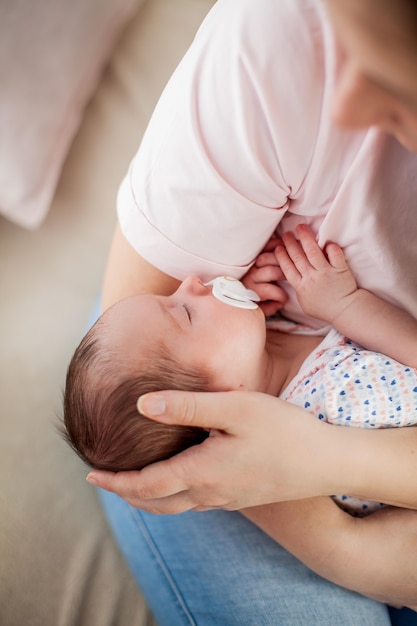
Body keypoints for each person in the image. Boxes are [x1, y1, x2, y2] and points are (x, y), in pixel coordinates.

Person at [84, 0, 417, 622]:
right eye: (183, 309)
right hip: (159, 390)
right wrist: (322, 310)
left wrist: (335, 501)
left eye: (398, 82)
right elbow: (144, 298)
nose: (193, 283)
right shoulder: (275, 42)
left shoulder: (323, 399)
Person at [65, 224, 417, 519]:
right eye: (185, 312)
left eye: (169, 296)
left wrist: (242, 316)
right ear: (216, 406)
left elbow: (227, 351)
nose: (189, 283)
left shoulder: (262, 360)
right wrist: (346, 305)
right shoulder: (337, 402)